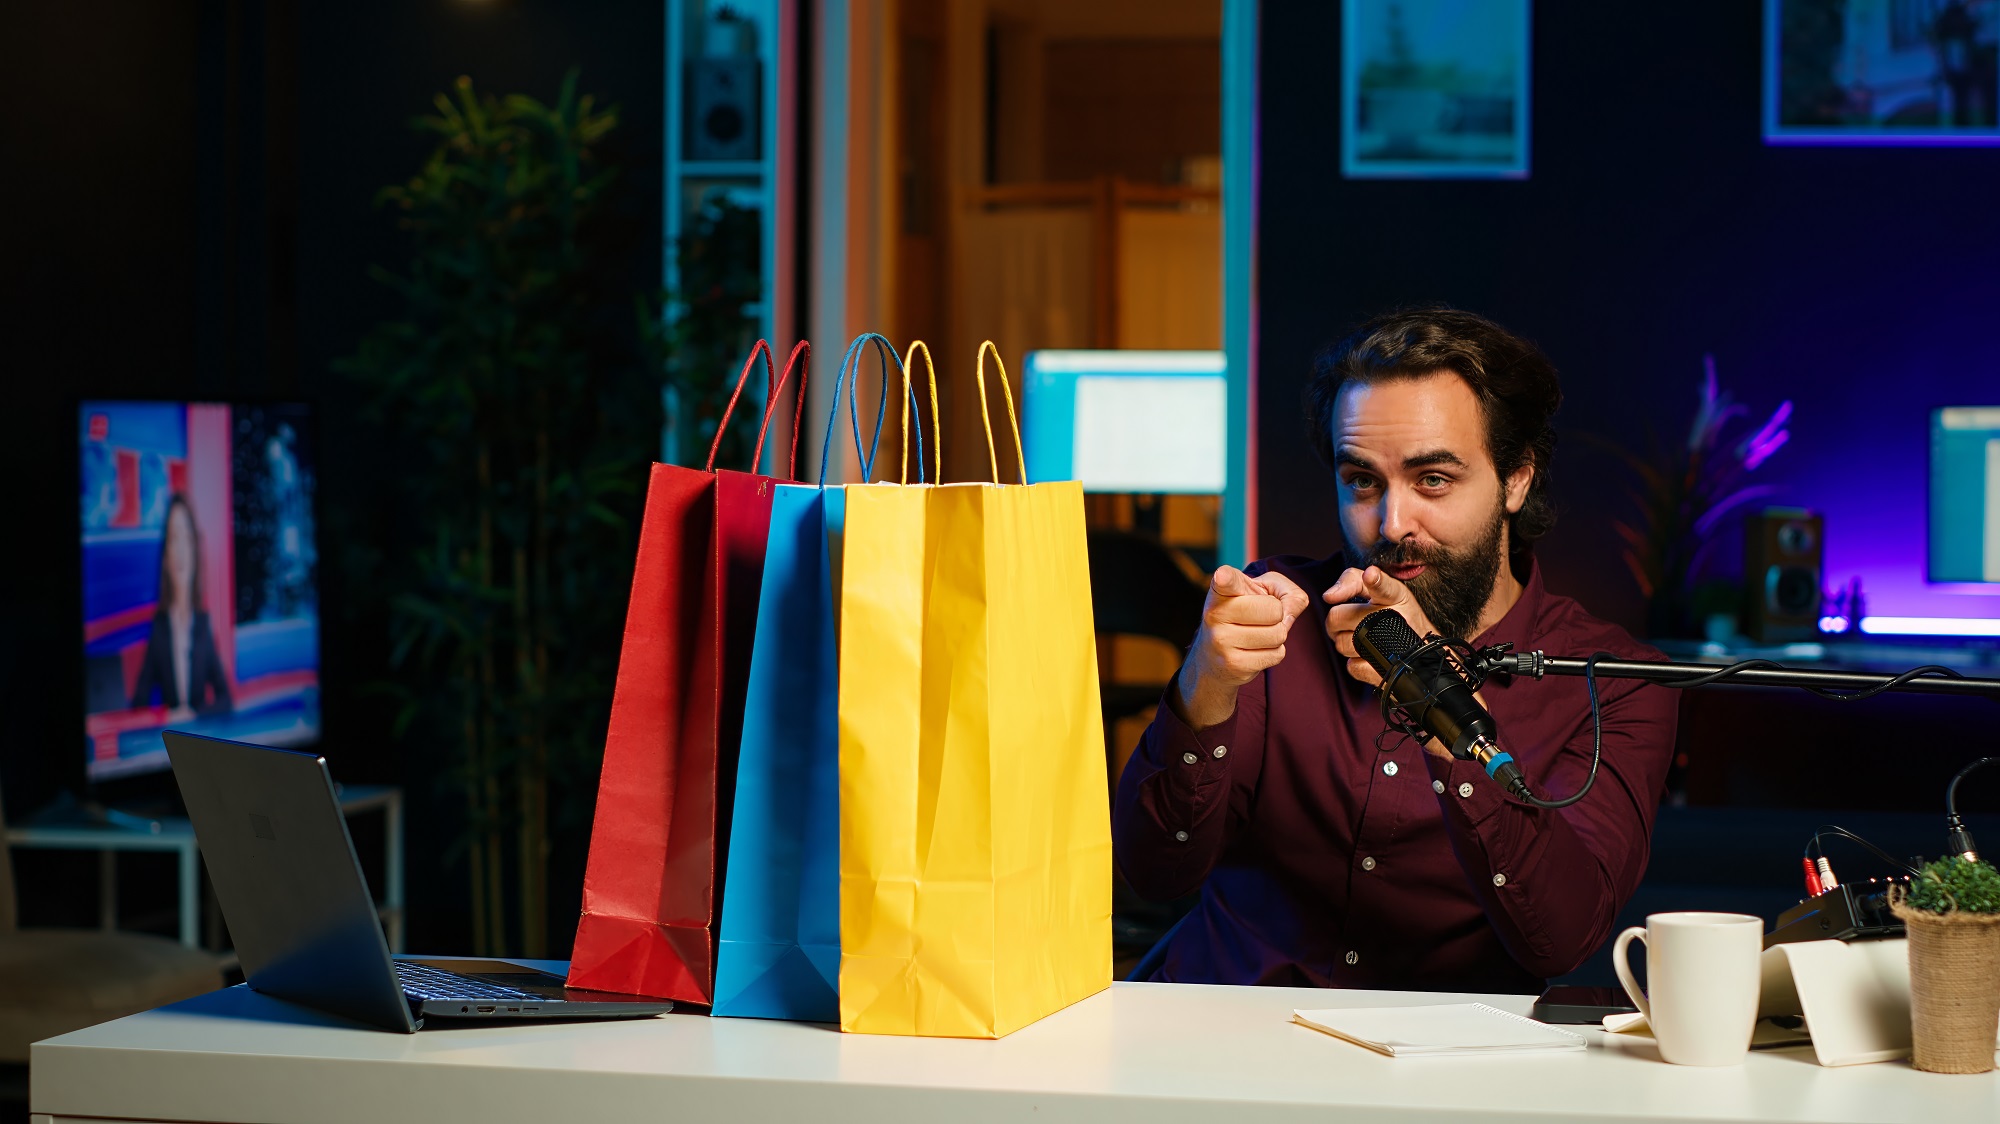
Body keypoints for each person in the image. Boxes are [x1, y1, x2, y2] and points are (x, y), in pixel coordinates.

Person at [1114, 307, 1678, 994]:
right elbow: (1155, 871)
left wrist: (1434, 692)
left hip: (1439, 1051)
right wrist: (1206, 682)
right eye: (1362, 480)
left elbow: (1559, 937)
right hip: (1225, 1020)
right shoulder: (1275, 615)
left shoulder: (1616, 681)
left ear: (1516, 479)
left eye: (1433, 479)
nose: (1392, 523)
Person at [130, 494, 233, 719]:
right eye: (174, 538)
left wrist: (195, 716)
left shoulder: (203, 623)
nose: (180, 549)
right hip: (169, 737)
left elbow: (226, 700)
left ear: (195, 550)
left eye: (186, 537)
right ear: (165, 557)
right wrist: (166, 717)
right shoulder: (159, 627)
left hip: (198, 736)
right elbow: (138, 704)